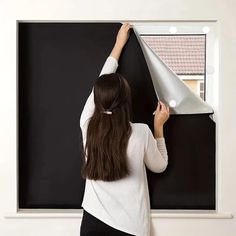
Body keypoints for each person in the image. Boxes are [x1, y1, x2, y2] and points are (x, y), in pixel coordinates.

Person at [79, 22, 170, 236]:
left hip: (93, 222)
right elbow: (160, 166)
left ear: (98, 98)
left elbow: (100, 84)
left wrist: (118, 46)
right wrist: (159, 127)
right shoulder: (141, 132)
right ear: (126, 102)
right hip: (131, 227)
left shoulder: (87, 124)